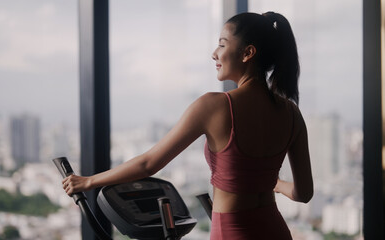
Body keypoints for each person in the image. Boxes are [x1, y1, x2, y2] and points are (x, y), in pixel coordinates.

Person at [62, 11, 313, 240]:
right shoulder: (291, 113)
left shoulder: (214, 106)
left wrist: (88, 182)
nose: (214, 53)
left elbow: (149, 163)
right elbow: (304, 194)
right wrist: (274, 183)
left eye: (222, 44)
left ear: (248, 53)